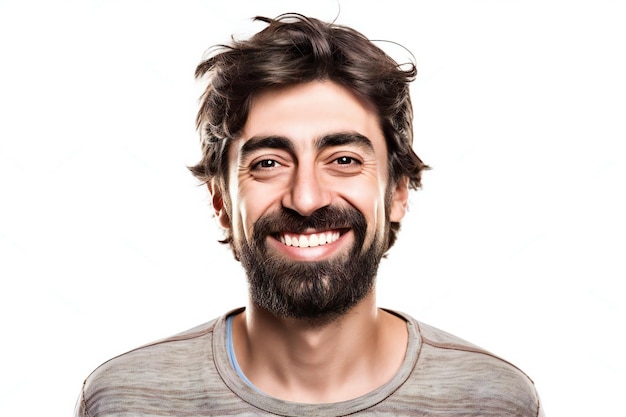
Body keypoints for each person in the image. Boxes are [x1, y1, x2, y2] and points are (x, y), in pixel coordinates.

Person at [75, 14, 544, 416]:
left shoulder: (489, 400)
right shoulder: (126, 399)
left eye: (343, 160)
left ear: (398, 191)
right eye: (268, 164)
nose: (306, 199)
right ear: (220, 201)